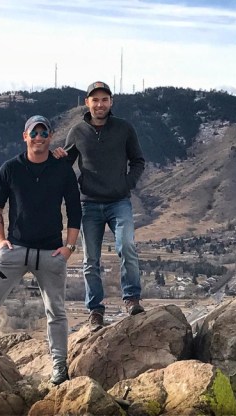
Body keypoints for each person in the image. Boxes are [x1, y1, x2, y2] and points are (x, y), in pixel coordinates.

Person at [0, 115, 81, 386]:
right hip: (15, 251)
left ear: (50, 137)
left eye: (43, 132)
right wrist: (0, 241)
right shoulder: (10, 168)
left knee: (56, 312)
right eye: (33, 132)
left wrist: (69, 248)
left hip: (50, 255)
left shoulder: (62, 169)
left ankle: (59, 366)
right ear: (24, 136)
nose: (38, 137)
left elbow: (75, 210)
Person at [53, 81, 146, 332]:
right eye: (95, 100)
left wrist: (126, 183)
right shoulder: (78, 131)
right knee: (90, 260)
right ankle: (95, 310)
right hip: (89, 205)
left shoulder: (124, 129)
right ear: (87, 103)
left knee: (126, 246)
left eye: (104, 99)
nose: (100, 104)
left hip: (119, 202)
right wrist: (58, 159)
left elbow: (138, 161)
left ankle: (132, 299)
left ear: (111, 102)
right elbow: (65, 166)